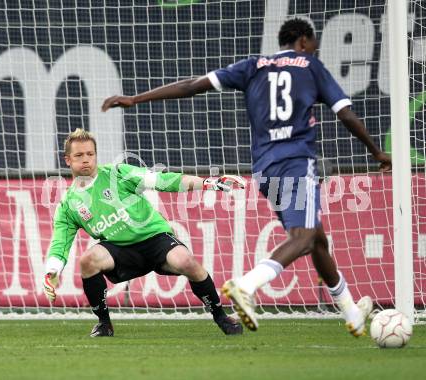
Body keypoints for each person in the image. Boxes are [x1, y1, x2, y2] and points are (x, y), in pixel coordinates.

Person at [101, 19, 392, 336]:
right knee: (304, 237)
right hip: (296, 162)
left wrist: (135, 99)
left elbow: (191, 85)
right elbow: (345, 112)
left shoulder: (253, 66)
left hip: (266, 170)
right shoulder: (309, 64)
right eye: (315, 43)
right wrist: (376, 152)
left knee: (316, 239)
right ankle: (246, 285)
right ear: (305, 42)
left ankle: (351, 311)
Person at [43, 128, 245, 337]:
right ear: (67, 160)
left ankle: (221, 317)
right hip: (120, 250)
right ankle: (104, 324)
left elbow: (162, 180)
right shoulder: (68, 204)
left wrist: (208, 183)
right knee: (87, 260)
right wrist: (52, 271)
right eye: (79, 155)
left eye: (90, 154)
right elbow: (60, 243)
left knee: (187, 263)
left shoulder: (117, 174)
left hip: (155, 239)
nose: (85, 160)